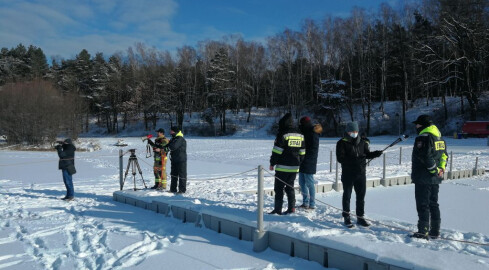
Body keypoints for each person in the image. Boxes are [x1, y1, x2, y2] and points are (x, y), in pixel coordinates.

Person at [336, 122, 382, 227]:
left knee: (361, 197)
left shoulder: (362, 142)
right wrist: (355, 160)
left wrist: (375, 154)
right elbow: (340, 158)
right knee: (347, 196)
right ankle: (346, 217)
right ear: (348, 132)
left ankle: (360, 217)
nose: (355, 133)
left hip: (360, 174)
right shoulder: (341, 143)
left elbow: (367, 154)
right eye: (352, 131)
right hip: (348, 174)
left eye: (356, 131)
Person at [411, 114, 448, 239]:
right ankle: (435, 230)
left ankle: (423, 231)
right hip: (435, 178)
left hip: (424, 177)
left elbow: (425, 157)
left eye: (418, 124)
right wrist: (441, 169)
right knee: (433, 203)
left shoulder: (423, 137)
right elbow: (444, 156)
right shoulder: (439, 138)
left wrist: (434, 170)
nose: (416, 126)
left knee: (423, 205)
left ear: (423, 125)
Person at [269, 113, 305, 215]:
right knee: (290, 187)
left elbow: (277, 151)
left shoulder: (283, 134)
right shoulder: (300, 134)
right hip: (295, 166)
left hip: (282, 167)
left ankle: (277, 209)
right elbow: (302, 151)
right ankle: (291, 208)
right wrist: (300, 162)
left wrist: (272, 163)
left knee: (279, 188)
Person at [298, 116, 322, 210]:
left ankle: (312, 204)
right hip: (302, 160)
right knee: (302, 182)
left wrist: (304, 157)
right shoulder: (305, 132)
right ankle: (305, 202)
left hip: (309, 161)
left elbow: (313, 149)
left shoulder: (312, 133)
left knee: (309, 182)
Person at [166, 126, 187, 193]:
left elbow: (173, 147)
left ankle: (182, 190)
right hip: (174, 159)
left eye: (171, 131)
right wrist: (161, 148)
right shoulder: (173, 138)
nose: (170, 132)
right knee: (173, 174)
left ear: (175, 131)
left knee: (182, 175)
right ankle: (173, 189)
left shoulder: (180, 139)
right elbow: (167, 146)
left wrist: (168, 147)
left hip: (181, 160)